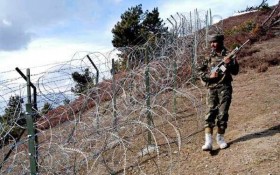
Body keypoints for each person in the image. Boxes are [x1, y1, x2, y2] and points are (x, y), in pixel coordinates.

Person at [197, 33, 239, 151]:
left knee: (223, 114)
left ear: (220, 42)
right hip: (211, 88)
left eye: (215, 42)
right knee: (210, 113)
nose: (212, 44)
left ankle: (220, 138)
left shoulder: (229, 55)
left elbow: (235, 72)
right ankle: (208, 141)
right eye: (211, 42)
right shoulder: (208, 56)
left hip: (224, 88)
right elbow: (199, 71)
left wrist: (228, 63)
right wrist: (209, 76)